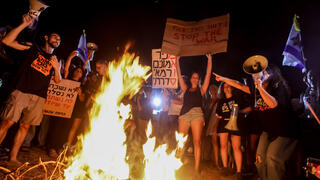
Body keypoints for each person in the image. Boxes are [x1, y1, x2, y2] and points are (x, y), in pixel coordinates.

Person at [214, 63, 299, 180]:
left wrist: (260, 88)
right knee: (259, 159)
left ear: (271, 74)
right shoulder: (255, 89)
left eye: (263, 72)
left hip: (284, 131)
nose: (259, 75)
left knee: (272, 158)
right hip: (268, 130)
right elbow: (238, 85)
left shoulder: (278, 87)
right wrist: (224, 79)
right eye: (257, 73)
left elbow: (273, 103)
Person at [0, 14, 61, 164]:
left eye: (59, 39)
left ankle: (13, 157)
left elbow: (58, 81)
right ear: (47, 38)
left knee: (25, 126)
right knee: (7, 122)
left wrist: (56, 68)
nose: (57, 40)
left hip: (39, 97)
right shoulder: (32, 49)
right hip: (21, 91)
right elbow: (6, 41)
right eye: (54, 37)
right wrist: (23, 25)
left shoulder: (55, 59)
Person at [176, 54, 212, 174]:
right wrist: (176, 60)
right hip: (184, 115)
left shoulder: (201, 90)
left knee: (197, 142)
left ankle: (197, 168)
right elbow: (179, 76)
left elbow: (208, 75)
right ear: (191, 79)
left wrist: (210, 59)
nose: (195, 79)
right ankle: (177, 164)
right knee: (181, 140)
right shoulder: (185, 89)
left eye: (197, 78)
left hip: (197, 114)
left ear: (198, 80)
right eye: (193, 77)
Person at [215, 82, 251, 179]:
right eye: (224, 87)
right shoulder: (221, 101)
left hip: (236, 123)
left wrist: (239, 112)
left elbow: (249, 108)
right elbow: (217, 113)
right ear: (222, 89)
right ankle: (225, 168)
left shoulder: (237, 98)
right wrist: (218, 116)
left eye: (228, 86)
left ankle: (239, 172)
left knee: (236, 147)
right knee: (223, 146)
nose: (226, 88)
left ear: (232, 88)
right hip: (223, 124)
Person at [205, 84, 220, 169]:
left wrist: (216, 124)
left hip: (214, 120)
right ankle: (210, 160)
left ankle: (217, 162)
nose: (211, 91)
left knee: (215, 142)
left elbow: (218, 114)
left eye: (213, 90)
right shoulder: (209, 100)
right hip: (209, 121)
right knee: (210, 142)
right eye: (210, 90)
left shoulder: (218, 101)